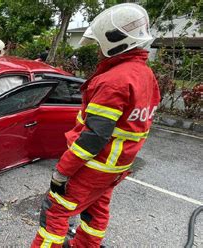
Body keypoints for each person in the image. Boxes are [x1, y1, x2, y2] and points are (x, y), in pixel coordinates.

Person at [31, 3, 160, 248]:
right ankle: (85, 245)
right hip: (117, 166)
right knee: (96, 208)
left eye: (100, 45)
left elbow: (94, 136)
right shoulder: (145, 76)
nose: (99, 51)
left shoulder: (114, 81)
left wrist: (63, 170)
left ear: (116, 42)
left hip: (94, 164)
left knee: (55, 210)